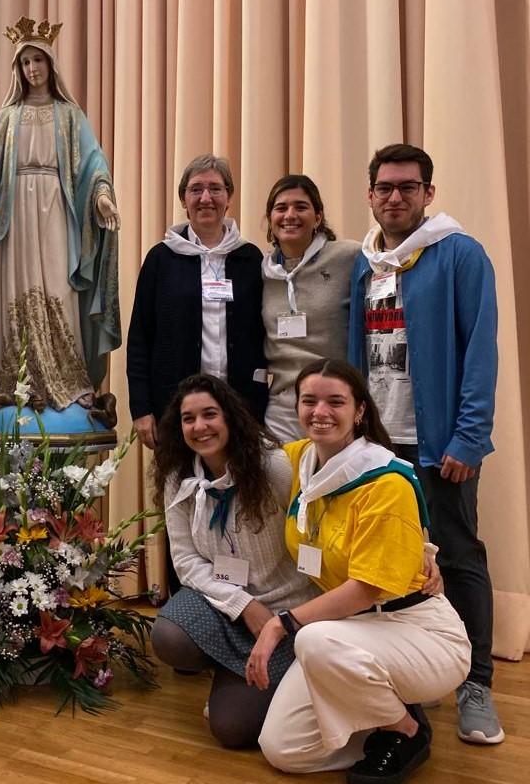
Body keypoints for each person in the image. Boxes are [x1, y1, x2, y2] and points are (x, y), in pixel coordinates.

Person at [347, 144, 502, 744]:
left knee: (458, 558)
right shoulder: (365, 264)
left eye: (408, 187)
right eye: (385, 187)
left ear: (427, 194)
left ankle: (476, 685)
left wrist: (470, 436)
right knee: (394, 563)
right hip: (380, 445)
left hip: (439, 445)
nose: (395, 197)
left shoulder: (460, 254)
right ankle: (417, 676)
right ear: (370, 196)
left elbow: (480, 350)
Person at [254, 359, 471, 783]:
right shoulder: (299, 462)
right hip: (348, 633)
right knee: (283, 749)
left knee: (311, 638)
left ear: (359, 411)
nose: (320, 412)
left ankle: (404, 729)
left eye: (335, 402)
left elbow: (366, 589)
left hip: (415, 627)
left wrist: (280, 624)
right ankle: (378, 709)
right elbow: (240, 453)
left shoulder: (384, 480)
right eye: (309, 401)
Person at [0, 15, 120, 422]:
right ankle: (17, 382)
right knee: (16, 289)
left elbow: (93, 164)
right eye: (25, 63)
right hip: (15, 218)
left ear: (50, 65)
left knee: (59, 286)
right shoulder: (8, 118)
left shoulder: (69, 116)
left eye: (38, 60)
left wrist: (102, 196)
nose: (32, 69)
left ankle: (69, 378)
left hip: (58, 210)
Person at [149, 374, 316, 748]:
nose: (199, 426)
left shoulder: (273, 466)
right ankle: (232, 672)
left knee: (233, 731)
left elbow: (325, 520)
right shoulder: (178, 478)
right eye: (188, 419)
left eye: (209, 414)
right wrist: (244, 606)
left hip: (289, 612)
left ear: (229, 417)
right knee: (169, 636)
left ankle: (280, 677)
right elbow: (186, 562)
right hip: (230, 606)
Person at [127, 153, 267, 452]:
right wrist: (141, 409)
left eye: (215, 188)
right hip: (176, 409)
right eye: (196, 189)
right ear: (183, 199)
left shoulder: (250, 258)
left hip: (241, 406)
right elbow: (140, 338)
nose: (206, 198)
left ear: (229, 198)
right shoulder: (161, 259)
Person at [261, 175, 360, 441]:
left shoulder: (349, 257)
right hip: (282, 410)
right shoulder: (261, 272)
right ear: (270, 218)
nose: (290, 215)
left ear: (318, 217)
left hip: (335, 405)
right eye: (281, 208)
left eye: (301, 207)